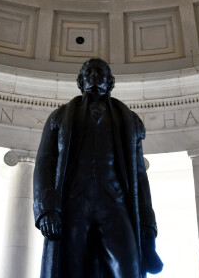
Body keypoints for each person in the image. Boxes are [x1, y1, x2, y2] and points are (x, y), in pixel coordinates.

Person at [33, 58, 163, 278]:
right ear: (81, 81)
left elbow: (140, 176)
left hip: (115, 204)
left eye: (100, 72)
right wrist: (47, 209)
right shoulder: (59, 117)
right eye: (89, 72)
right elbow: (44, 164)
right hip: (74, 205)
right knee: (71, 270)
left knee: (128, 268)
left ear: (110, 82)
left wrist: (147, 223)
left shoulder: (130, 121)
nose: (94, 76)